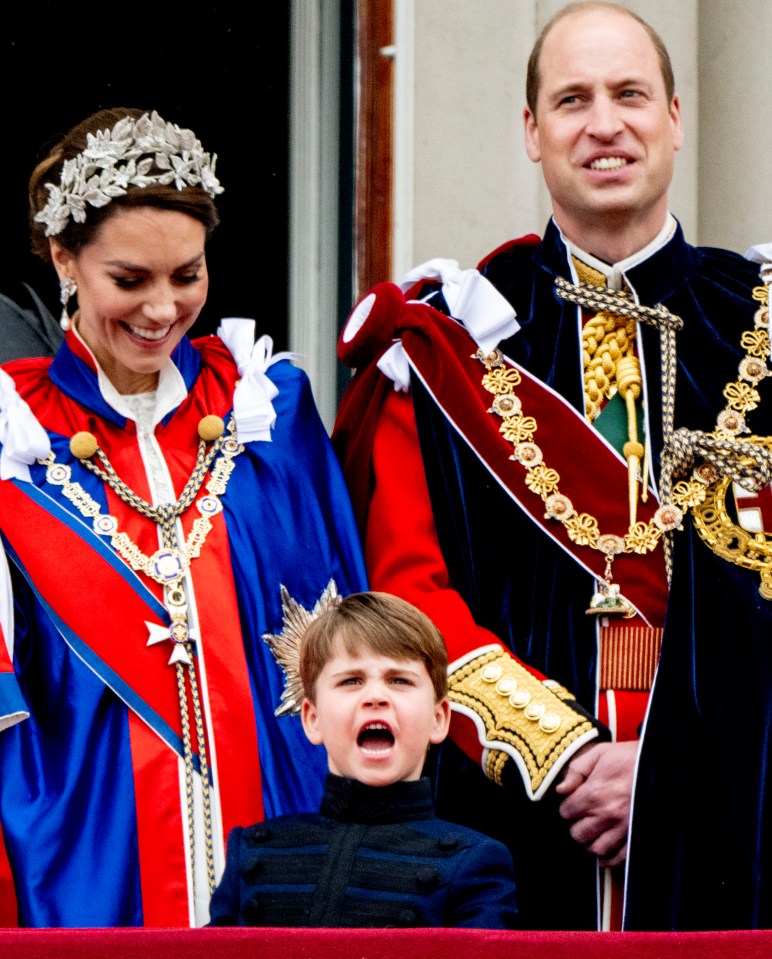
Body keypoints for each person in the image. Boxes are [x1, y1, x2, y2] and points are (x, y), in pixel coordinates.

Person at [333, 1, 772, 931]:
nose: (603, 123)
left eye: (629, 94)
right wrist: (565, 757)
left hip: (737, 818)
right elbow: (410, 597)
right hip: (515, 830)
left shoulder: (764, 326)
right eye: (572, 99)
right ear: (532, 132)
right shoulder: (449, 345)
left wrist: (665, 769)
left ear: (676, 118)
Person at [0, 107, 368, 927]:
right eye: (129, 280)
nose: (162, 310)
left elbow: (346, 647)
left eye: (187, 276)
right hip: (85, 862)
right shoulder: (11, 439)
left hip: (278, 847)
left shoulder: (266, 409)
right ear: (64, 257)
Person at [208, 591, 518, 928]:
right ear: (312, 719)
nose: (375, 697)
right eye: (351, 681)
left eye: (399, 680)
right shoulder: (251, 852)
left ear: (438, 718)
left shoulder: (474, 861)